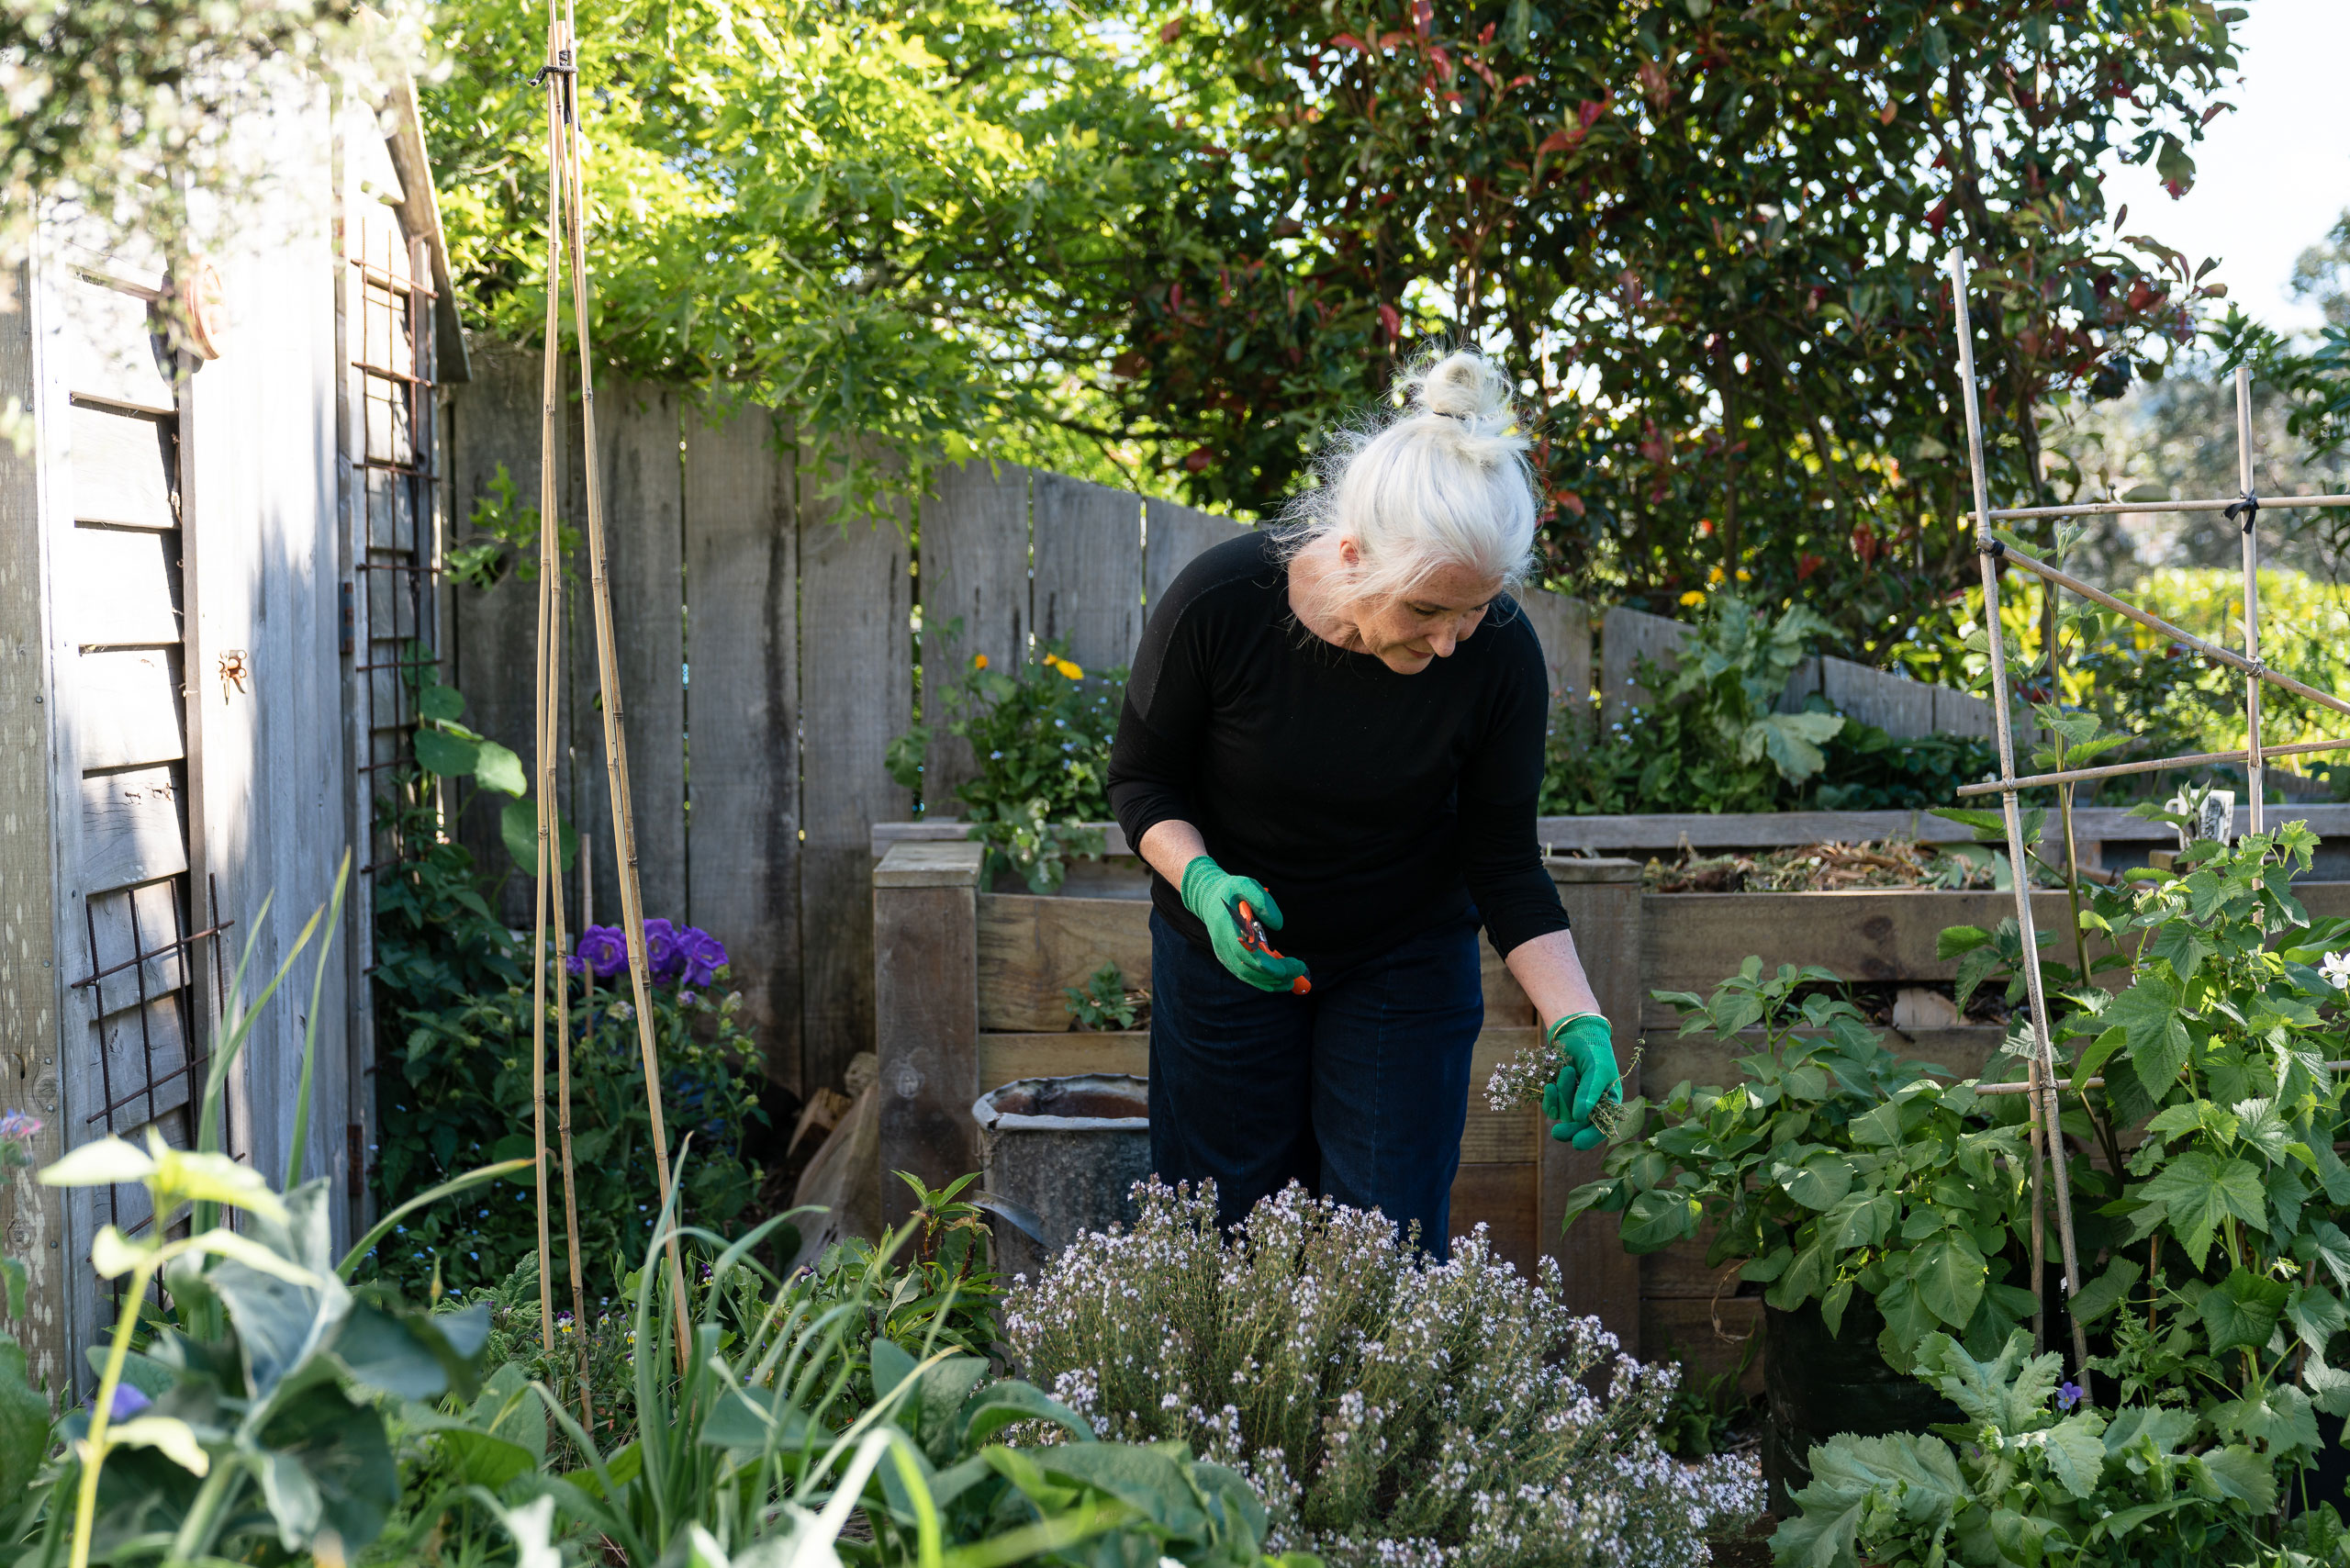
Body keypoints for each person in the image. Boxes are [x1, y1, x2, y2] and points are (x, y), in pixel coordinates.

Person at [1105, 348, 1620, 1259]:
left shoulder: (1498, 653)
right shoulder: (1219, 605)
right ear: (1352, 556)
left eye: (1474, 611)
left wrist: (1575, 1014)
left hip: (1403, 964)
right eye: (1428, 610)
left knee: (1383, 1241)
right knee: (1218, 1236)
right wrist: (1203, 884)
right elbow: (1143, 783)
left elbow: (1498, 857)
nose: (1453, 641)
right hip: (1229, 956)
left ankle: (1371, 1406)